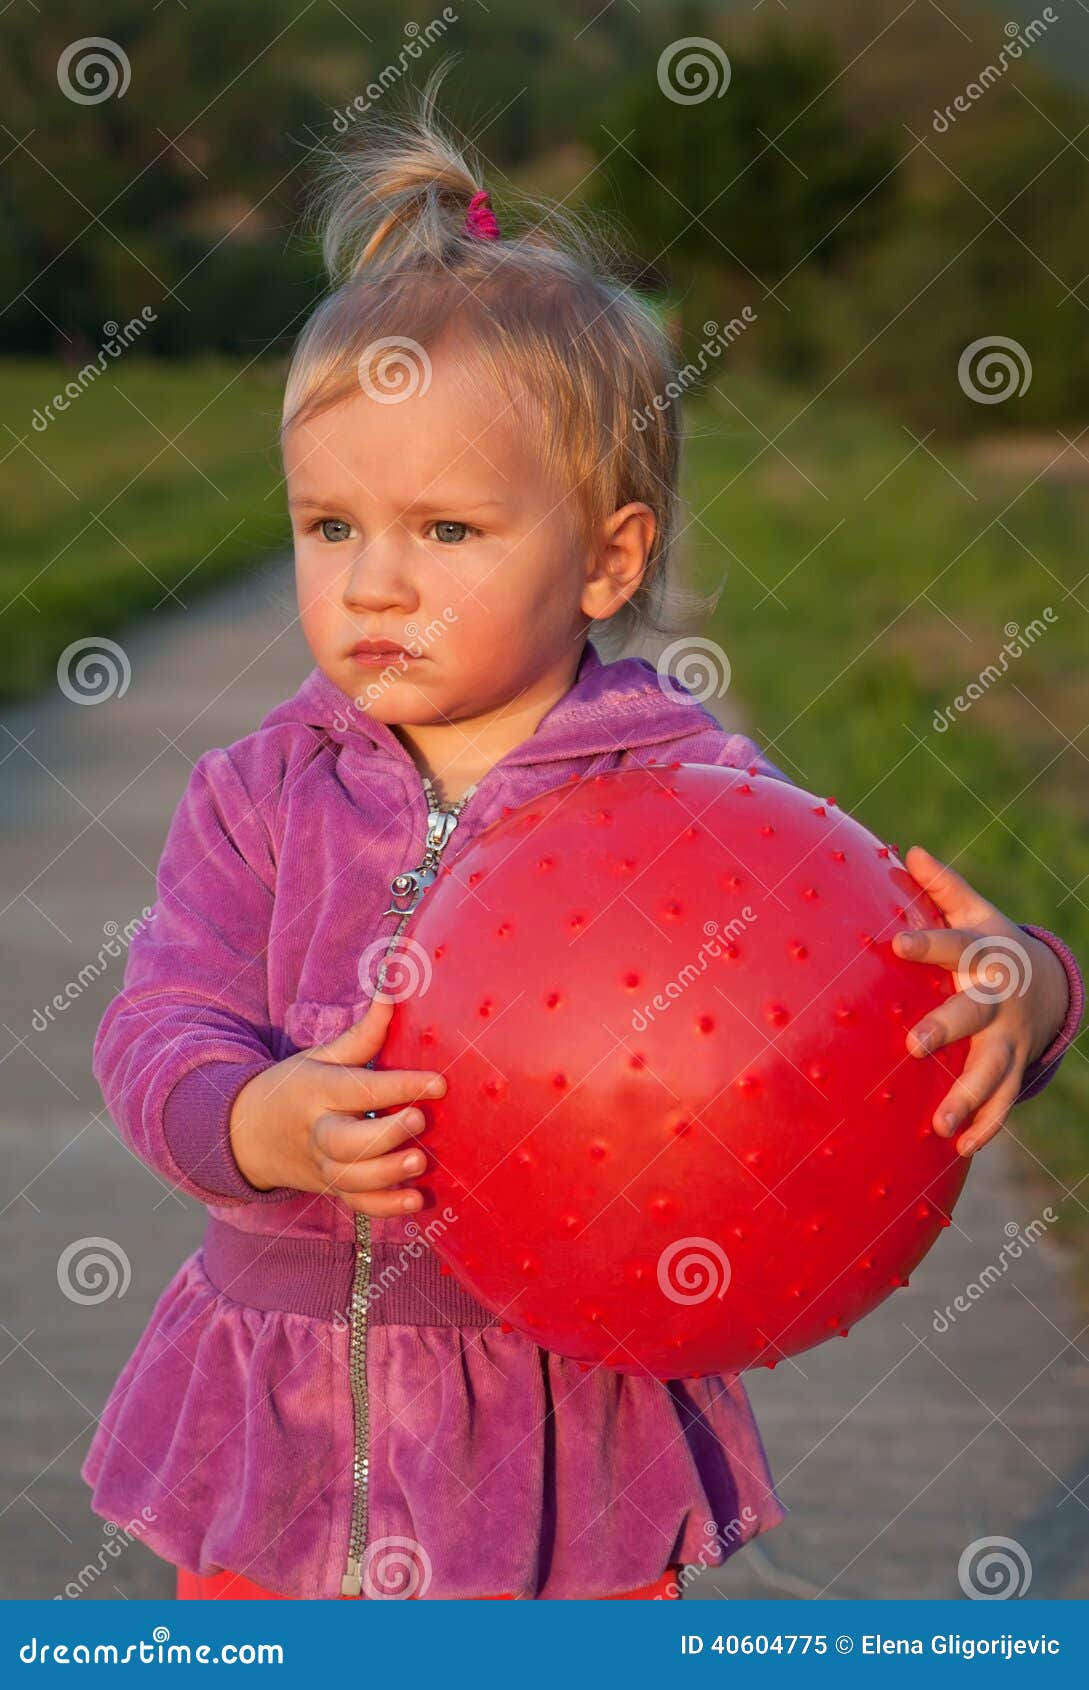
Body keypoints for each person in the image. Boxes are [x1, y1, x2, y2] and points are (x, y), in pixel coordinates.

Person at [81, 70, 1084, 1602]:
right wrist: (248, 1118)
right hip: (282, 1417)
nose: (375, 584)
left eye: (449, 531)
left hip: (565, 1429)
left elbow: (880, 971)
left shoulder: (690, 804)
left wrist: (1024, 984)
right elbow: (157, 1022)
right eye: (330, 526)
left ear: (609, 558)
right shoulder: (257, 793)